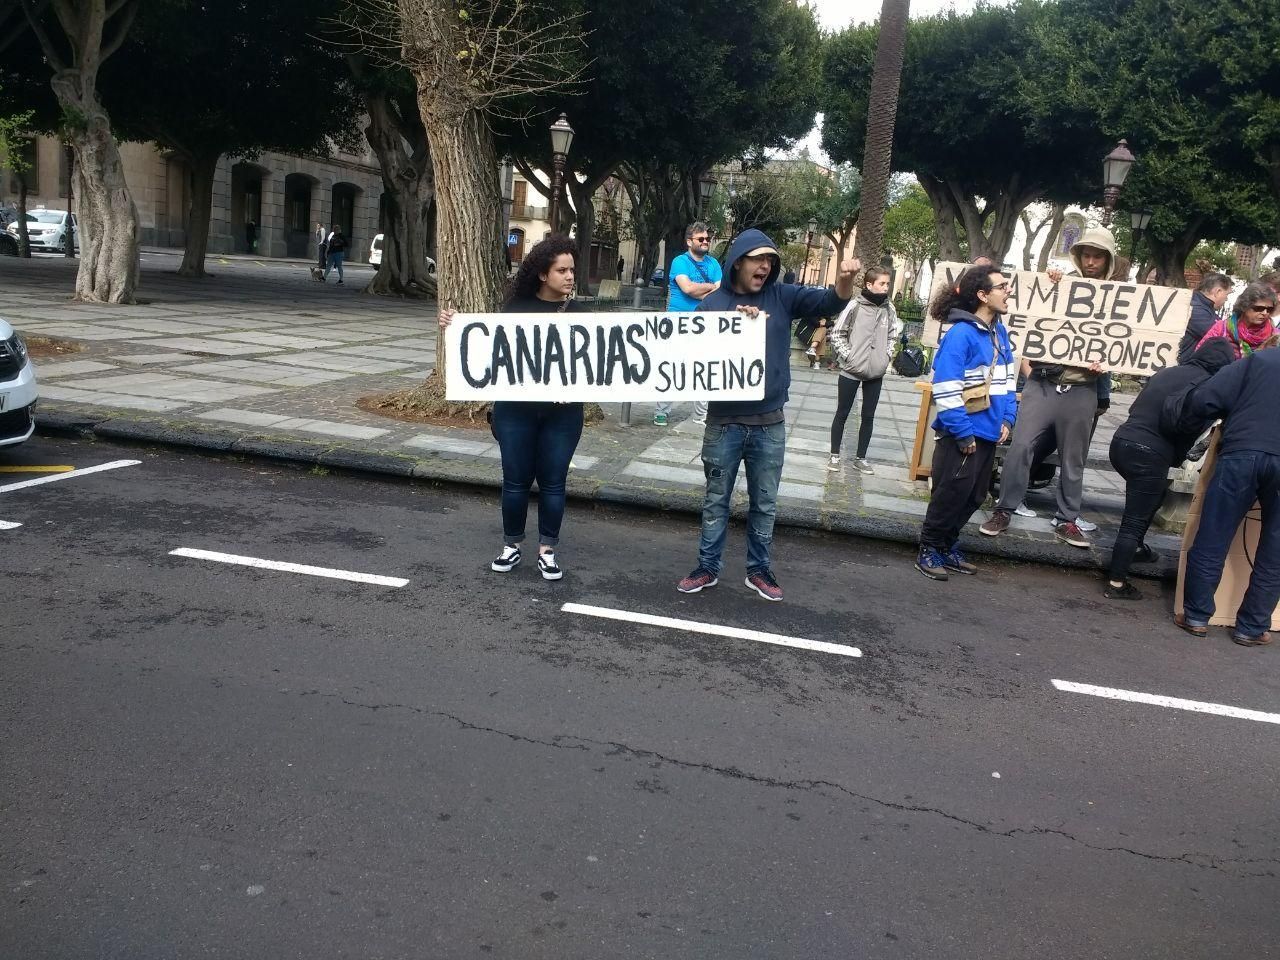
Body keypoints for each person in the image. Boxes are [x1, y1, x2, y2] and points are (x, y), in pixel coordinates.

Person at [676, 228, 860, 602]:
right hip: (723, 424)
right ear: (737, 262)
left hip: (769, 424)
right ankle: (707, 567)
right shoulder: (712, 305)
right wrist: (731, 328)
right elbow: (689, 354)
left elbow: (830, 302)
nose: (765, 266)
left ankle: (758, 570)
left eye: (770, 260)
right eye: (757, 258)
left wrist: (844, 280)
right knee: (715, 500)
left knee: (765, 503)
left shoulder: (782, 295)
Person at [438, 235, 586, 581]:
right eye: (561, 270)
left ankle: (547, 551)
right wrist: (454, 326)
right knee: (515, 480)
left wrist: (576, 388)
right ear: (542, 274)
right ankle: (512, 545)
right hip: (516, 411)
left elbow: (591, 366)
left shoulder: (581, 315)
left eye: (572, 270)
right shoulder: (514, 309)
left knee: (554, 482)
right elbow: (488, 349)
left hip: (562, 415)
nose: (569, 276)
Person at [982, 227, 1115, 547]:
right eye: (1086, 255)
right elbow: (1033, 319)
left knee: (1074, 458)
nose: (1091, 262)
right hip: (1042, 383)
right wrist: (1049, 280)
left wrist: (1107, 362)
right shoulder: (1059, 285)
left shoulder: (1116, 298)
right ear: (1078, 256)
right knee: (1021, 447)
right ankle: (1004, 508)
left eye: (1097, 257)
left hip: (1082, 389)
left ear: (1108, 260)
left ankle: (1067, 518)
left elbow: (1121, 344)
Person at [1173, 309, 1280, 646]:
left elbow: (1205, 399)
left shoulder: (1257, 362)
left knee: (1214, 534)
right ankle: (1252, 626)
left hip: (1242, 453)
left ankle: (1196, 615)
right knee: (1276, 549)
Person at [1102, 340, 1236, 600]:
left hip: (1121, 442)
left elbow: (1135, 407)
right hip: (1149, 453)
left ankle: (1136, 549)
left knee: (1155, 498)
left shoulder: (1167, 372)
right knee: (1134, 519)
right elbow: (1189, 427)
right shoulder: (1207, 385)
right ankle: (1116, 583)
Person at [916, 266, 1018, 580]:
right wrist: (962, 432)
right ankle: (928, 549)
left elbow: (1007, 381)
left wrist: (1008, 417)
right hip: (963, 434)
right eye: (1002, 286)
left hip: (988, 432)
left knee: (974, 495)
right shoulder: (960, 334)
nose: (1009, 291)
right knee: (950, 494)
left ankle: (945, 546)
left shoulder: (999, 332)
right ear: (982, 295)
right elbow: (946, 388)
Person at [827, 266, 902, 474]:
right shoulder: (855, 305)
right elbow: (837, 333)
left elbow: (893, 335)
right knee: (842, 412)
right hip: (851, 369)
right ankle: (834, 455)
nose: (886, 287)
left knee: (868, 416)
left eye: (888, 284)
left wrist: (886, 356)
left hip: (876, 371)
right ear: (869, 284)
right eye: (882, 283)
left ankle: (861, 458)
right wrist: (849, 356)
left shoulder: (889, 308)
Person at [655, 222, 723, 426]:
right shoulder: (679, 262)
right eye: (700, 239)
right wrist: (708, 287)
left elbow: (720, 291)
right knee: (671, 366)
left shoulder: (714, 264)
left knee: (704, 367)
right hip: (677, 323)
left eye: (707, 238)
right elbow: (687, 289)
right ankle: (661, 411)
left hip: (704, 323)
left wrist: (699, 289)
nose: (705, 242)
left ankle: (701, 414)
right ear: (689, 241)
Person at [1194, 281, 1278, 360]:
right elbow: (1200, 355)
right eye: (1259, 308)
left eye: (1269, 309)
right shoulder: (1222, 328)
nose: (1265, 313)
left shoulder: (1275, 336)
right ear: (1245, 306)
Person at [1177, 273, 1233, 363]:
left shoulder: (1203, 307)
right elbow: (1222, 336)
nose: (1226, 299)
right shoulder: (1195, 309)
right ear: (1218, 292)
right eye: (1227, 294)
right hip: (1181, 365)